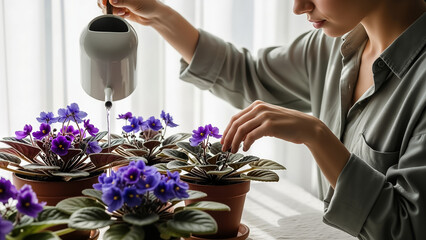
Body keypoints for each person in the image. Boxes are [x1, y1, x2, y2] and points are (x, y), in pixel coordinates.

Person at [99, 0, 426, 239]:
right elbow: (249, 76)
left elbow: (404, 228)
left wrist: (316, 135)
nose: (298, 7)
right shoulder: (331, 47)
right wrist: (156, 13)